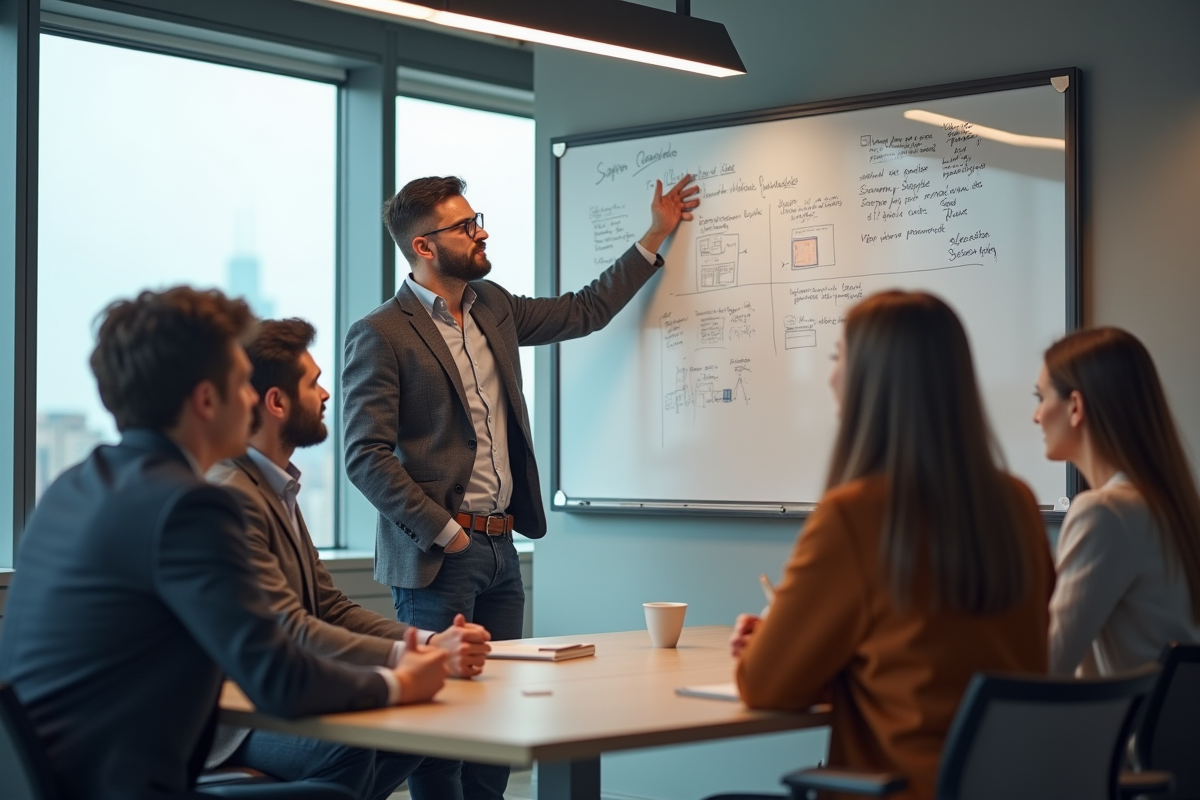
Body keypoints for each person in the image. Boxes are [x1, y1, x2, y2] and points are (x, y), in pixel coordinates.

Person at [0, 287, 450, 800]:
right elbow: (277, 676)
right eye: (240, 382)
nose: (252, 400)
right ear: (206, 400)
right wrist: (398, 684)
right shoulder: (188, 506)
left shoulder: (74, 485)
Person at [342, 173, 699, 799]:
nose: (481, 233)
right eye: (464, 226)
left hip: (502, 550)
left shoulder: (495, 306)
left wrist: (655, 234)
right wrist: (446, 533)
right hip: (438, 557)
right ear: (424, 246)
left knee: (497, 726)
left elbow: (584, 310)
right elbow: (365, 456)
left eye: (476, 219)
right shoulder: (382, 332)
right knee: (440, 737)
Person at [730, 291, 1054, 800]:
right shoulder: (1017, 503)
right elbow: (932, 661)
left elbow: (766, 687)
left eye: (838, 357)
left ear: (871, 379)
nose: (830, 377)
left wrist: (768, 647)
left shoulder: (853, 516)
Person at [206, 318, 493, 799]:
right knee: (353, 747)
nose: (325, 395)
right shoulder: (232, 494)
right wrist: (408, 658)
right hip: (235, 718)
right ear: (276, 403)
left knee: (421, 730)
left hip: (280, 693)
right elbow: (292, 626)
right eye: (312, 383)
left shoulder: (277, 487)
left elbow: (329, 607)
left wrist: (429, 641)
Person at [1033, 327, 1200, 676]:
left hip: (1126, 715)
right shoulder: (1169, 507)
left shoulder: (1105, 512)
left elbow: (1046, 665)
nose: (1036, 416)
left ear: (1075, 407)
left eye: (1041, 398)